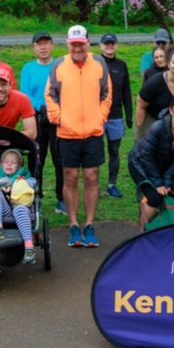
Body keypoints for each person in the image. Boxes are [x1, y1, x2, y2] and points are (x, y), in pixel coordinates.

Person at [46, 25, 113, 249]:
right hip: (67, 133)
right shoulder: (59, 65)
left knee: (92, 177)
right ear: (68, 44)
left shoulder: (99, 63)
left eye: (81, 43)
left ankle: (90, 224)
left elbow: (107, 93)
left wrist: (101, 117)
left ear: (87, 43)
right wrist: (60, 118)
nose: (77, 48)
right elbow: (50, 94)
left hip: (93, 132)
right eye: (73, 44)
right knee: (71, 178)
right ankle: (74, 224)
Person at [128, 96, 174, 231]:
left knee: (167, 196)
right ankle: (143, 232)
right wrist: (158, 183)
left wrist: (167, 179)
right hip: (139, 163)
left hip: (161, 166)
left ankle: (160, 229)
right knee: (154, 197)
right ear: (171, 110)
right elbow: (146, 156)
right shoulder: (158, 127)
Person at [20, 33, 62, 213]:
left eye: (46, 44)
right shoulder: (28, 68)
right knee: (36, 160)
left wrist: (51, 107)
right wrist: (39, 106)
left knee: (60, 159)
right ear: (34, 48)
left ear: (52, 45)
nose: (43, 47)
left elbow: (65, 90)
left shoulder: (60, 66)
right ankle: (36, 196)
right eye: (39, 44)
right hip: (36, 118)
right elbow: (25, 93)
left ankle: (62, 197)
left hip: (57, 118)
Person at [0, 149, 39, 263]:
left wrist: (19, 184)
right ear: (1, 164)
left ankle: (29, 246)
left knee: (20, 209)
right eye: (6, 162)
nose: (9, 164)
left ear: (19, 166)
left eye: (13, 162)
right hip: (5, 211)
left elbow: (33, 184)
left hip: (21, 209)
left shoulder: (25, 178)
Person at [136, 46, 174, 139]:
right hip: (153, 121)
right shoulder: (155, 82)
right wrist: (140, 132)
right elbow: (141, 104)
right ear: (168, 64)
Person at [100, 34, 132, 199]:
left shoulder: (122, 65)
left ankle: (112, 184)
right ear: (101, 46)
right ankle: (94, 186)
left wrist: (129, 115)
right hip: (97, 116)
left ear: (116, 46)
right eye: (107, 44)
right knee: (96, 153)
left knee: (114, 151)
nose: (109, 46)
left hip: (116, 116)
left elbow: (127, 91)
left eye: (112, 44)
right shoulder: (95, 63)